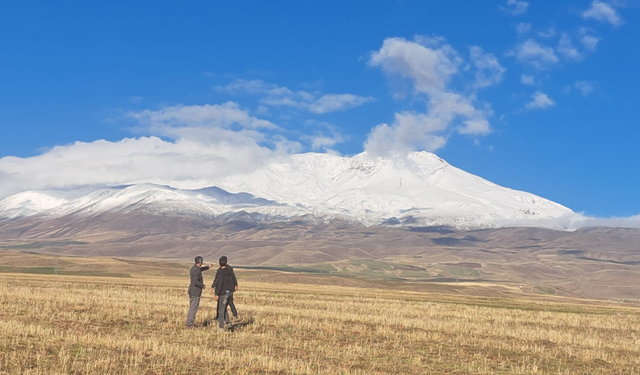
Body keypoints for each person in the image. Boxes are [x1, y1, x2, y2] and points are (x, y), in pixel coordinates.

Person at [210, 255, 238, 330]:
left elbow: (219, 284)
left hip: (223, 293)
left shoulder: (220, 272)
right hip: (230, 292)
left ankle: (221, 326)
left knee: (221, 309)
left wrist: (216, 294)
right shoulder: (230, 270)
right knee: (224, 307)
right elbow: (233, 278)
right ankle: (228, 323)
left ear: (219, 263)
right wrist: (235, 285)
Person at [186, 256, 213, 328]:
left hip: (192, 291)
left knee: (193, 307)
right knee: (193, 308)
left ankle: (190, 322)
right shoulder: (196, 270)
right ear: (200, 262)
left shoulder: (194, 268)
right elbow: (195, 281)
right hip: (195, 291)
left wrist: (207, 267)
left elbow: (200, 270)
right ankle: (190, 324)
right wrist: (202, 285)